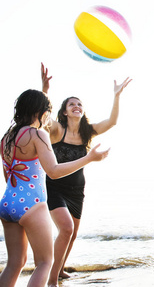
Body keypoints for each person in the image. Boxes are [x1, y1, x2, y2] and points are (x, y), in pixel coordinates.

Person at [0, 89, 109, 287]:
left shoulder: (6, 137)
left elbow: (8, 176)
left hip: (8, 203)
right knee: (45, 262)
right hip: (32, 204)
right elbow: (54, 171)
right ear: (42, 112)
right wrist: (89, 158)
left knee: (14, 263)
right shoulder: (37, 134)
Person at [41, 63, 132, 287]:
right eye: (72, 104)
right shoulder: (56, 130)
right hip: (54, 187)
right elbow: (43, 116)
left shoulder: (87, 131)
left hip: (77, 191)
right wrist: (44, 91)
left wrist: (116, 95)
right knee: (66, 228)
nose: (76, 106)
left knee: (71, 235)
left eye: (79, 104)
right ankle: (51, 280)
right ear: (64, 111)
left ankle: (60, 270)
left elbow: (112, 122)